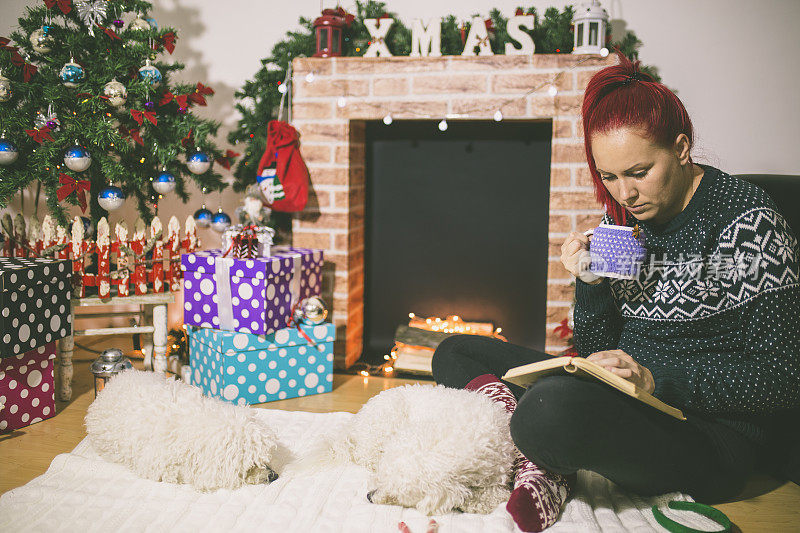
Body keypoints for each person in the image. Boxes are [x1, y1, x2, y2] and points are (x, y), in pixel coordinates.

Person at [431, 51, 800, 533]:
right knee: (453, 352)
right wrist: (591, 284)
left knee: (549, 411)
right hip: (617, 395)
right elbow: (595, 345)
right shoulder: (622, 222)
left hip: (708, 435)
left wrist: (652, 379)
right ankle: (542, 455)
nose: (624, 195)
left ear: (682, 148)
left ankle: (540, 449)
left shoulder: (749, 224)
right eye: (609, 177)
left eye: (638, 172)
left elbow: (782, 377)